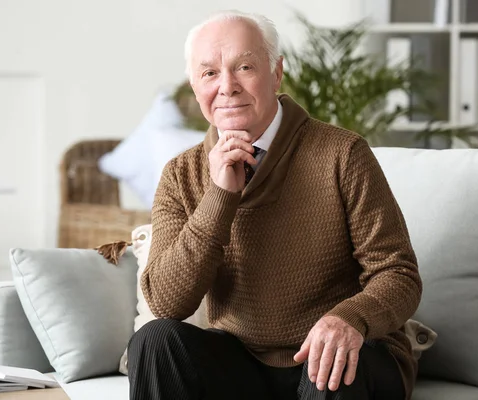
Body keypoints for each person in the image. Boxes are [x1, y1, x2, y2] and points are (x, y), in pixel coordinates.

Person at [127, 10, 422, 400]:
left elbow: (398, 273)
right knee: (154, 341)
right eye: (209, 73)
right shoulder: (180, 175)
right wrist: (220, 198)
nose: (227, 87)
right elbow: (166, 302)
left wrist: (348, 319)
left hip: (341, 355)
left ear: (276, 72)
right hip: (241, 363)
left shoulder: (342, 154)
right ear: (195, 87)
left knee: (332, 364)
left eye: (244, 67)